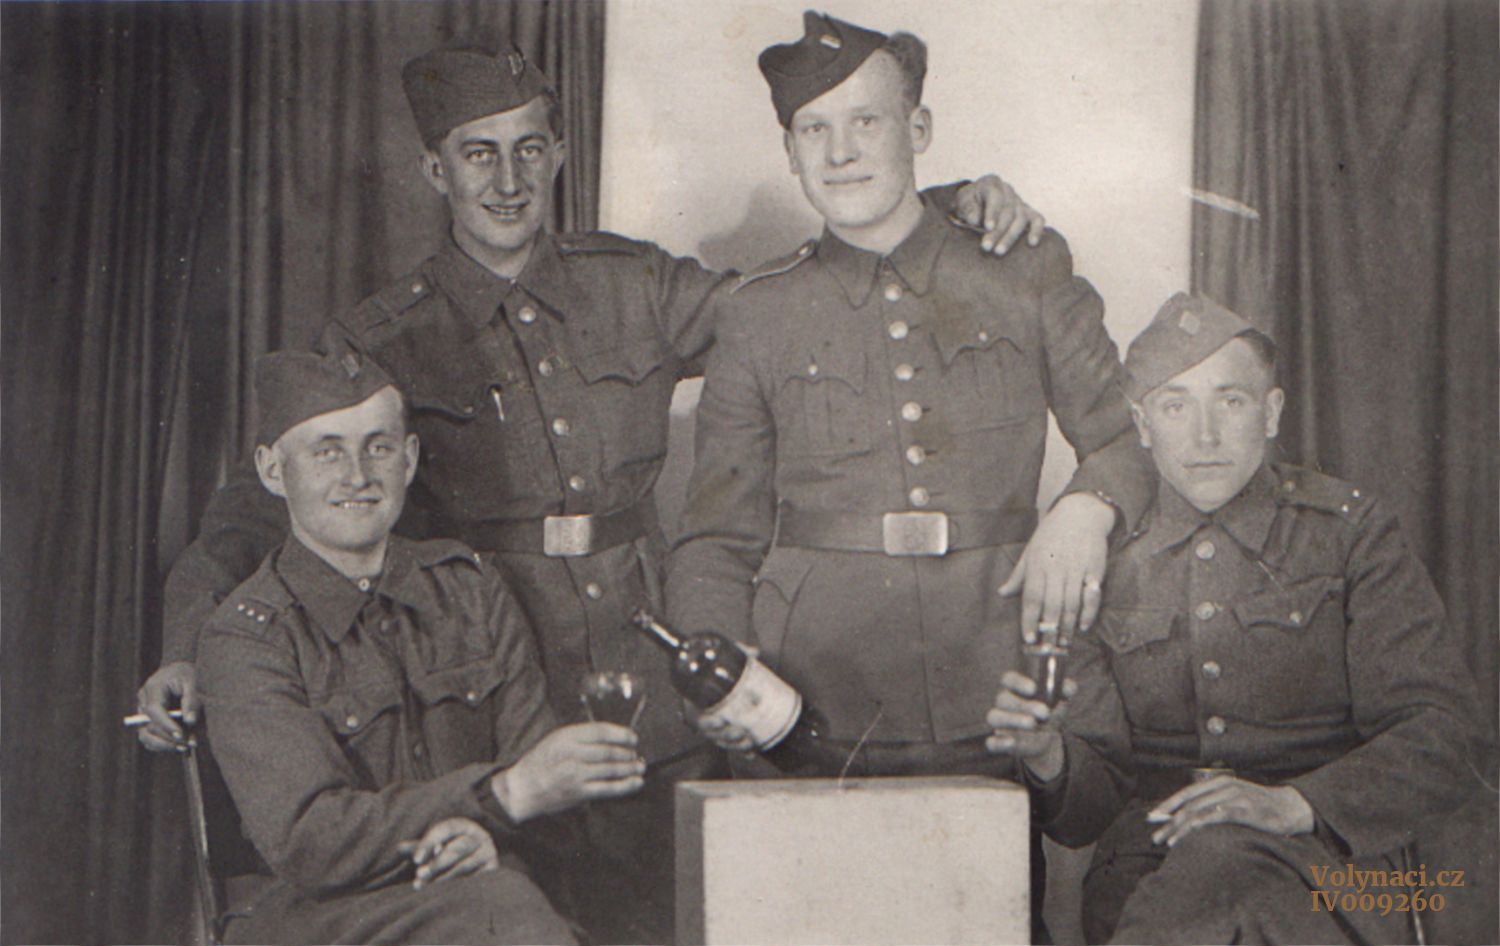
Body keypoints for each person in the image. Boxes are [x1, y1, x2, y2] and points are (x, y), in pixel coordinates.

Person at [134, 37, 1043, 943]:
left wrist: (927, 207)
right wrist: (182, 651)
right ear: (435, 171)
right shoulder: (386, 336)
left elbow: (785, 298)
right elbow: (256, 510)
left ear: (560, 155)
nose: (508, 181)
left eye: (529, 148)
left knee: (684, 917)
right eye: (478, 154)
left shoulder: (634, 284)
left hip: (650, 675)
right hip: (495, 691)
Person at [668, 11, 1151, 774]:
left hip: (999, 669)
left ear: (918, 128)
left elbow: (1129, 440)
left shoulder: (1021, 267)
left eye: (867, 121)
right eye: (814, 129)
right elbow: (716, 536)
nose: (840, 152)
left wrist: (1089, 506)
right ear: (790, 152)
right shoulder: (758, 311)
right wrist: (722, 669)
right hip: (813, 691)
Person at [984, 293, 1489, 944]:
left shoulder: (1349, 534)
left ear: (1271, 412)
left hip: (1326, 864)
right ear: (1141, 426)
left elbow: (1445, 734)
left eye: (1230, 401)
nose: (1205, 437)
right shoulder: (1095, 560)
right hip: (1152, 866)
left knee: (1222, 870)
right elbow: (1088, 813)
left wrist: (1296, 804)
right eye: (1175, 406)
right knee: (1204, 876)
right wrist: (1050, 756)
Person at [197, 350, 644, 945]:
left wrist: (490, 832)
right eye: (327, 451)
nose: (358, 475)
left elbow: (546, 779)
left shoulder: (472, 592)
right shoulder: (247, 635)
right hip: (324, 921)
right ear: (274, 471)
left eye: (378, 447)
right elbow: (310, 841)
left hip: (481, 898)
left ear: (408, 460)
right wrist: (498, 797)